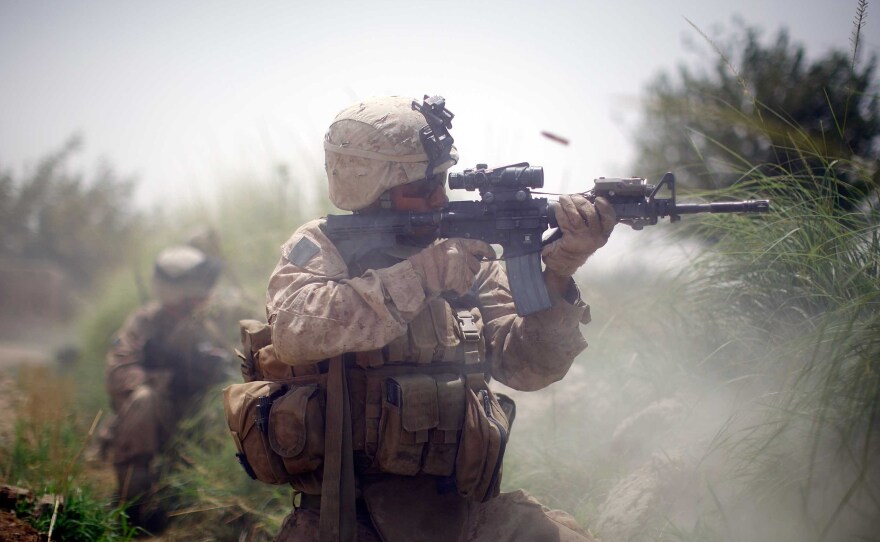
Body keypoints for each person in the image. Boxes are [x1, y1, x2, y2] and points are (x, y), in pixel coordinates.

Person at [254, 96, 616, 541]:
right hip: (346, 521)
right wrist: (421, 276)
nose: (439, 198)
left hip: (463, 516)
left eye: (441, 183)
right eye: (421, 189)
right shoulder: (322, 246)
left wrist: (559, 273)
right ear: (375, 190)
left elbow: (526, 367)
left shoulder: (464, 254)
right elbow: (294, 331)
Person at [104, 245, 232, 532]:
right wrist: (169, 380)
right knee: (145, 401)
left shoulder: (212, 324)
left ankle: (203, 506)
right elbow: (119, 374)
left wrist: (212, 375)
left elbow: (236, 370)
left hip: (200, 423)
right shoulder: (144, 323)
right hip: (158, 416)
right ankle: (133, 508)